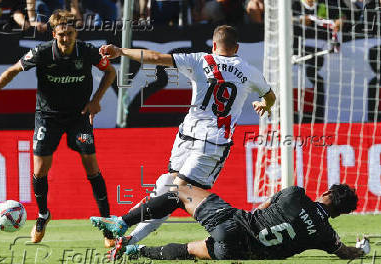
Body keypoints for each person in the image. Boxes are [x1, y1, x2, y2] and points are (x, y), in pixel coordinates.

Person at [98, 25, 276, 245]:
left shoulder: (201, 60)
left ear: (213, 45)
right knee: (173, 191)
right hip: (212, 142)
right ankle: (126, 233)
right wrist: (264, 105)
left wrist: (121, 51)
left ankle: (124, 231)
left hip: (187, 135)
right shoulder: (250, 71)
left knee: (171, 188)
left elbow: (155, 57)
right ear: (237, 47)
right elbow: (270, 96)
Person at [0, 9, 117, 246]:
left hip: (79, 117)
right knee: (40, 169)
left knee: (91, 166)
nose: (65, 39)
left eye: (69, 34)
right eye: (60, 35)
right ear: (54, 35)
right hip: (48, 117)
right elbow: (11, 71)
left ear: (75, 32)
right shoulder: (43, 52)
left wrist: (96, 100)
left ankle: (108, 224)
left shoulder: (87, 52)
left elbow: (110, 71)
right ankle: (43, 214)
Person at [90, 184, 370, 261]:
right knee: (190, 250)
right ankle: (132, 252)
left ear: (326, 193)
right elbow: (346, 252)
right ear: (340, 214)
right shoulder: (326, 235)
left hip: (235, 223)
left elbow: (262, 206)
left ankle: (121, 224)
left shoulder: (297, 194)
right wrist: (363, 249)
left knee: (178, 192)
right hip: (245, 253)